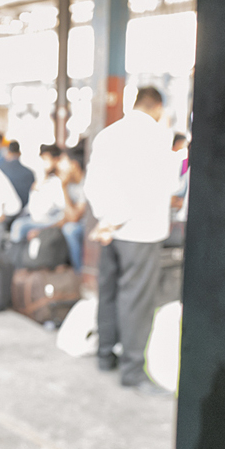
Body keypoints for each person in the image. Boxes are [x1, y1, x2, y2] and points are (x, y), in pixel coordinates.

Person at [83, 86, 181, 390]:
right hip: (140, 232)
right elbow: (164, 185)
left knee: (109, 291)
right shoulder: (156, 137)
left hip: (110, 232)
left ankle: (104, 355)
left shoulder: (108, 134)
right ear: (157, 108)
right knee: (136, 300)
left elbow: (93, 184)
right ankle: (132, 371)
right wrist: (120, 218)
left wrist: (107, 220)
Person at [8, 144, 67, 246]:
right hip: (35, 218)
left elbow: (60, 208)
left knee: (20, 226)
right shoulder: (42, 180)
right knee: (17, 224)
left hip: (50, 220)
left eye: (46, 159)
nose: (43, 163)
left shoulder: (60, 181)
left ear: (56, 160)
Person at [0, 140, 36, 209]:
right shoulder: (29, 173)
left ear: (8, 153)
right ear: (19, 153)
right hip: (24, 210)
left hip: (7, 212)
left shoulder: (0, 170)